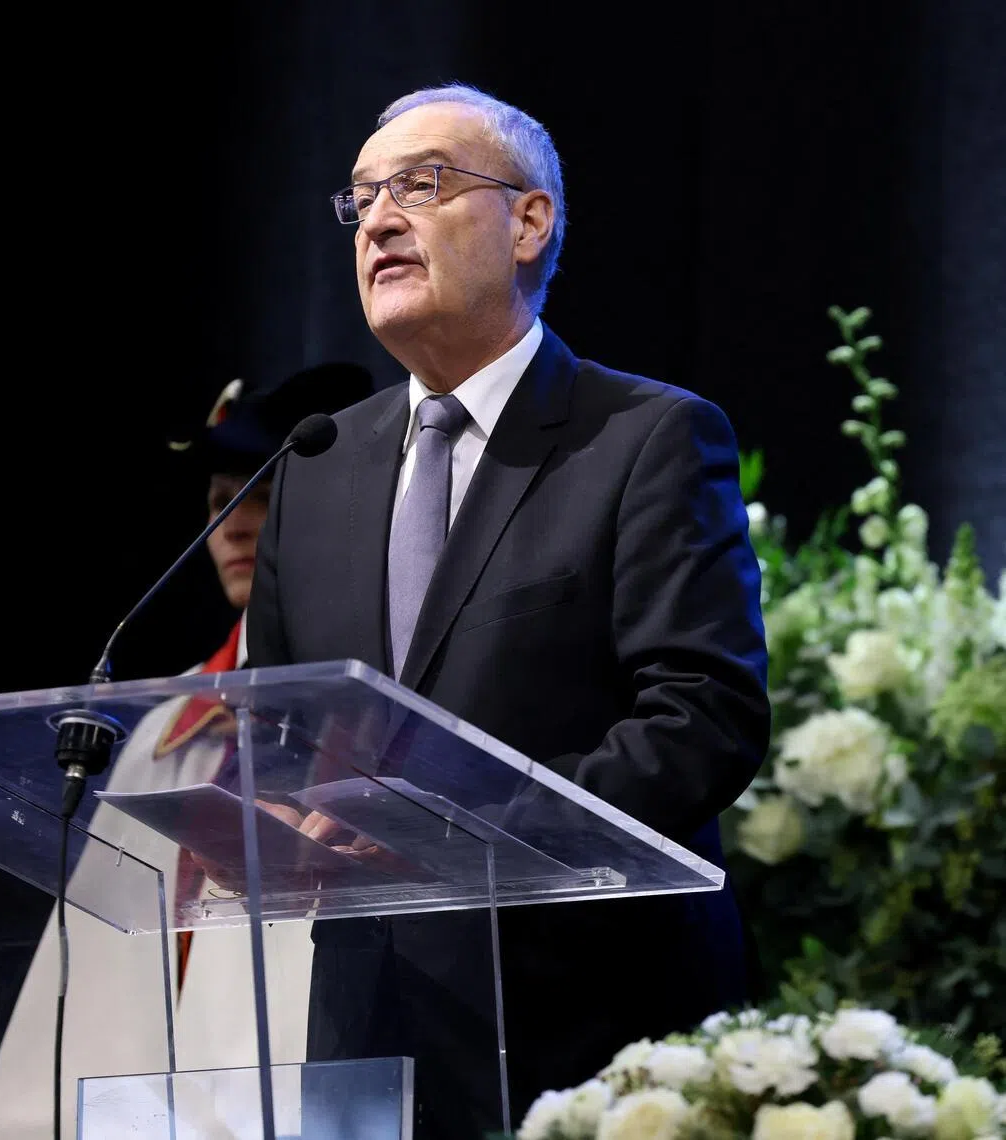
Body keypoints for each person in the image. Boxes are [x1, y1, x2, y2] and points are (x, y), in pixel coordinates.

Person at [245, 84, 771, 1137]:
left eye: (421, 184)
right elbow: (282, 733)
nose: (380, 220)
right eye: (360, 201)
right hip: (367, 1042)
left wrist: (455, 831)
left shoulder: (646, 439)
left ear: (529, 222)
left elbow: (701, 723)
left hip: (590, 1032)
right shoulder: (315, 466)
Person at [0, 361, 375, 1139]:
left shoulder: (370, 705)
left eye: (259, 494)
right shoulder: (171, 724)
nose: (234, 527)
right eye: (219, 505)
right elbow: (100, 973)